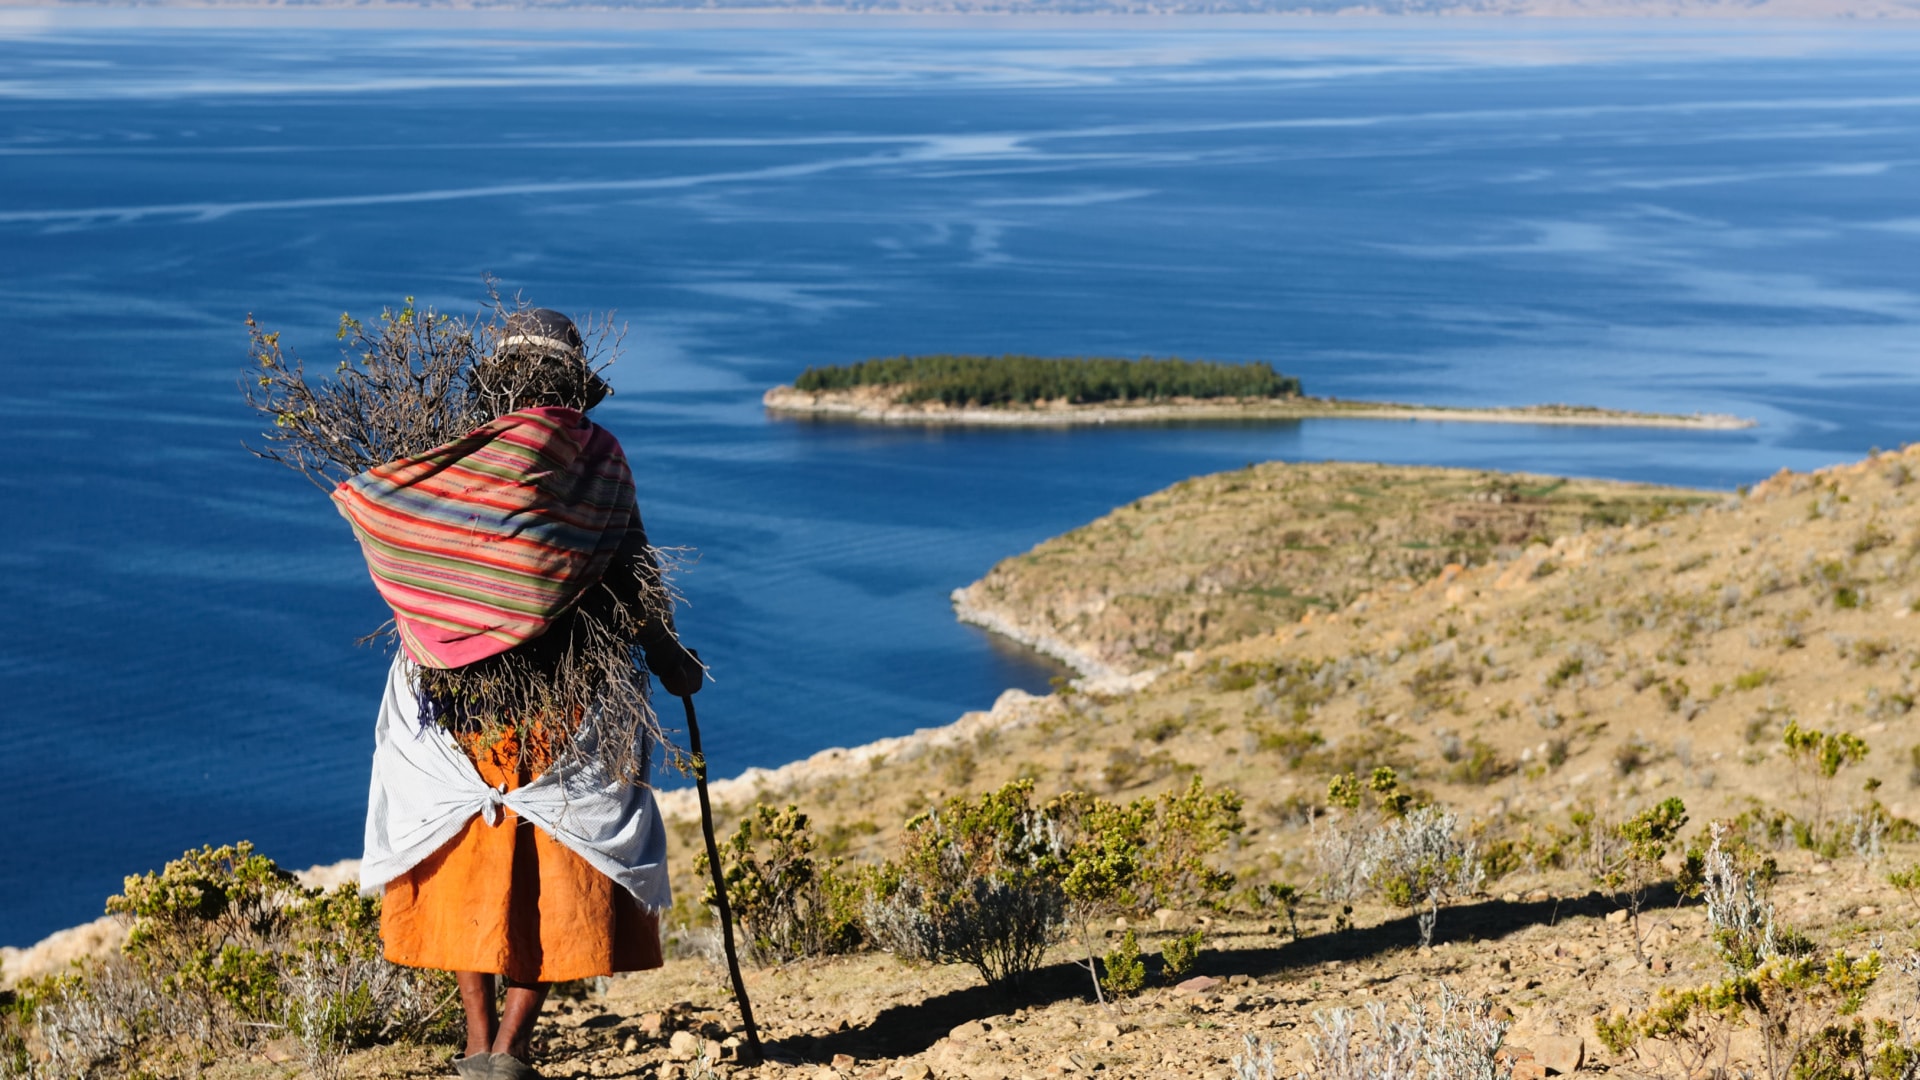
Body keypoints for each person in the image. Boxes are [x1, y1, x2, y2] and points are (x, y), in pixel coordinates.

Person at [333, 308, 703, 1080]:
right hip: (566, 705)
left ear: (498, 384)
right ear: (572, 382)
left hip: (455, 705)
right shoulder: (598, 456)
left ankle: (476, 1044)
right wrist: (670, 661)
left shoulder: (449, 461)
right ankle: (510, 1050)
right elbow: (632, 571)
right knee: (549, 866)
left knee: (470, 862)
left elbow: (406, 544)